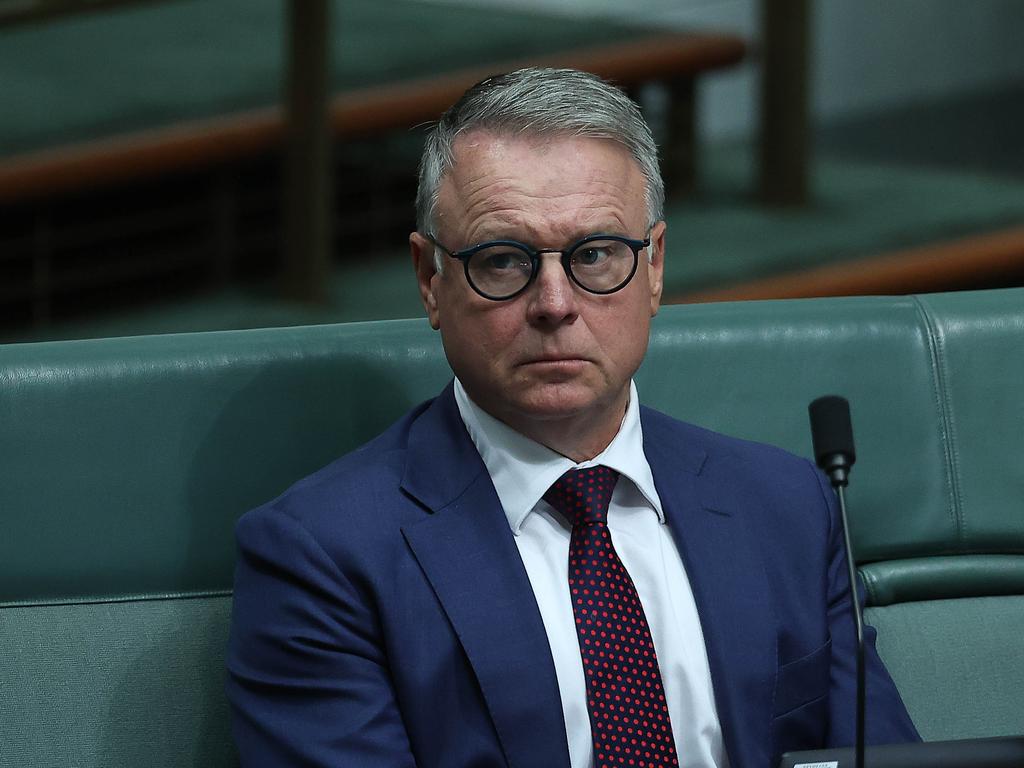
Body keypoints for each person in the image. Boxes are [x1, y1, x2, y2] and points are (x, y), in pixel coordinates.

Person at [226, 68, 919, 768]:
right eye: (503, 260)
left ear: (654, 269)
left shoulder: (787, 505)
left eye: (594, 254)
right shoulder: (323, 556)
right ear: (430, 280)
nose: (554, 303)